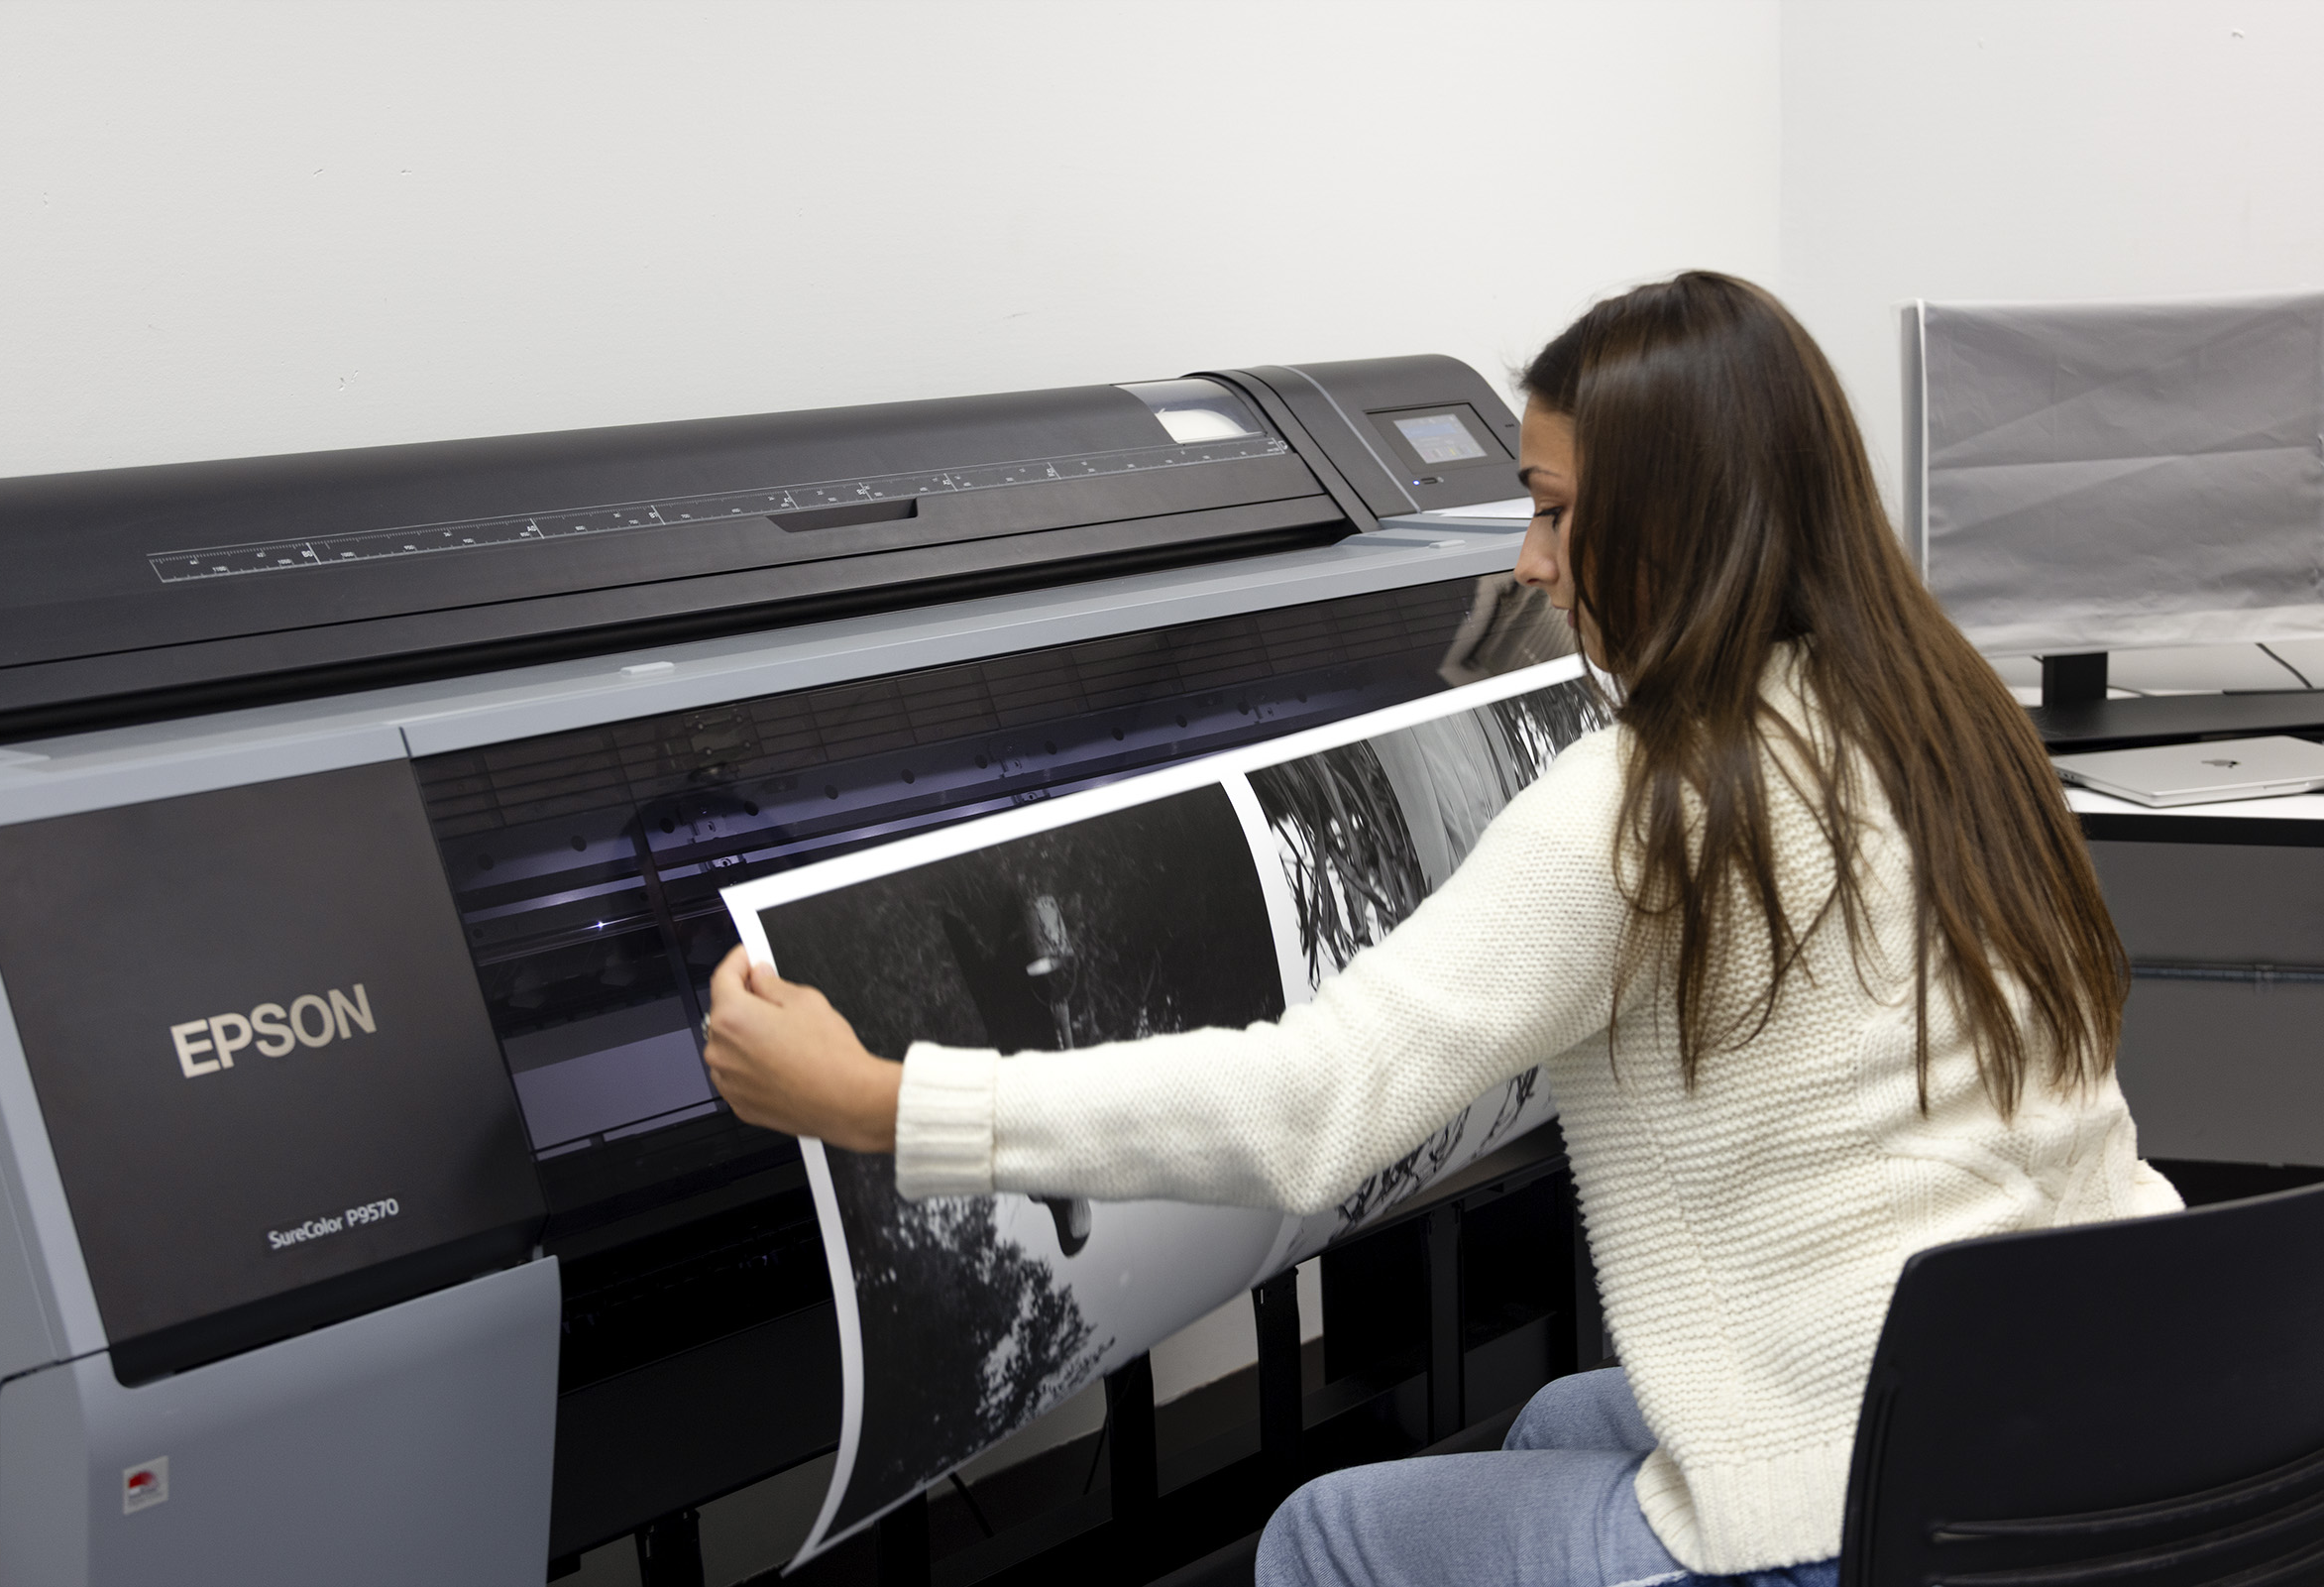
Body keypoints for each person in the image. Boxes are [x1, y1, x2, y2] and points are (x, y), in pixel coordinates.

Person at [697, 272, 2181, 1587]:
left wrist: (879, 1099)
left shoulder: (1642, 810)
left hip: (1865, 1517)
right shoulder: (1948, 715)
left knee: (1323, 1536)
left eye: (1552, 513)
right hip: (2105, 1403)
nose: (1529, 563)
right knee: (1551, 1422)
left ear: (1677, 523)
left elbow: (1309, 1115)